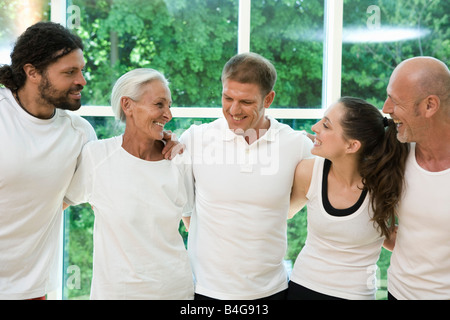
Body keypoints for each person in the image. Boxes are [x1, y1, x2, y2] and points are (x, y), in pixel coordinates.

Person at [180, 52, 314, 300]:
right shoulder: (195, 139)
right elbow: (186, 210)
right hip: (205, 291)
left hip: (271, 291)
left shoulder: (296, 145)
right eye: (227, 97)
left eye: (246, 102)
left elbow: (296, 200)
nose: (233, 109)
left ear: (269, 98)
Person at [63, 68, 194, 299]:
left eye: (169, 105)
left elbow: (194, 225)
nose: (168, 114)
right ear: (127, 105)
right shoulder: (97, 157)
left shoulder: (178, 159)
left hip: (175, 291)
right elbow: (52, 207)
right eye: (159, 104)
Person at [0, 22, 97, 300]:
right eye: (69, 72)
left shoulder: (79, 134)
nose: (82, 80)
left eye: (81, 70)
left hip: (31, 289)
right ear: (32, 72)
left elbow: (63, 200)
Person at [287, 97, 409, 300]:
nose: (315, 128)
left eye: (326, 125)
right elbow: (284, 213)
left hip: (356, 295)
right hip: (303, 287)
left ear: (352, 146)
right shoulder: (308, 172)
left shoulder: (386, 185)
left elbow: (393, 239)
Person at [382, 57, 450, 300]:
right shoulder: (395, 153)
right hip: (397, 293)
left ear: (430, 106)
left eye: (395, 101)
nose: (386, 108)